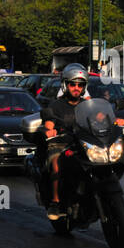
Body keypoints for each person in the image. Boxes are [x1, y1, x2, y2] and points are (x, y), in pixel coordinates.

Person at [41, 65, 90, 220]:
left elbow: (99, 117)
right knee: (56, 164)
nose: (76, 88)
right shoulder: (57, 104)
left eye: (80, 85)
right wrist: (50, 129)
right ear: (65, 85)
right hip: (60, 144)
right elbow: (49, 121)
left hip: (82, 145)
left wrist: (113, 121)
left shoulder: (87, 104)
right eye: (73, 84)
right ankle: (55, 202)